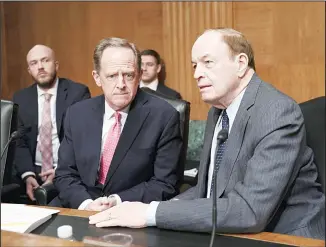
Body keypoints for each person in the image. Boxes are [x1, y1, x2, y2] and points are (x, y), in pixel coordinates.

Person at [89, 28, 325, 240]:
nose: (197, 74)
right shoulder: (218, 110)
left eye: (207, 62)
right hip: (235, 229)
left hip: (285, 235)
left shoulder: (277, 112)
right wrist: (142, 209)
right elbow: (207, 191)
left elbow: (250, 211)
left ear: (241, 63)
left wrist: (151, 213)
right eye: (194, 66)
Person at [52, 38, 183, 210]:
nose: (121, 84)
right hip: (79, 205)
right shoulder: (76, 114)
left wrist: (116, 201)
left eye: (128, 75)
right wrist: (86, 204)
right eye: (112, 76)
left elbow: (164, 183)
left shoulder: (164, 116)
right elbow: (64, 174)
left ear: (139, 76)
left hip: (131, 210)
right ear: (97, 78)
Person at [12, 44, 91, 202]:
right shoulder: (21, 98)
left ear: (56, 65)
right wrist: (27, 174)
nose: (40, 67)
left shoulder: (77, 93)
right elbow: (19, 142)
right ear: (29, 70)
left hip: (66, 169)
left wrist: (59, 170)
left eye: (45, 60)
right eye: (34, 63)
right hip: (32, 170)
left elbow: (83, 140)